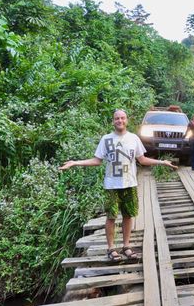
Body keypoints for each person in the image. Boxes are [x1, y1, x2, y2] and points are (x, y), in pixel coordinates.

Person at [59, 109, 177, 262]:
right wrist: (75, 162)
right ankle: (111, 248)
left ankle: (126, 246)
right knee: (111, 216)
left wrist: (161, 162)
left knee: (128, 215)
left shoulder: (134, 138)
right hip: (111, 185)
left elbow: (142, 160)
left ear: (126, 120)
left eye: (122, 118)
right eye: (117, 118)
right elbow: (97, 160)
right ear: (113, 121)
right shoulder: (106, 139)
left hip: (129, 184)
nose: (120, 121)